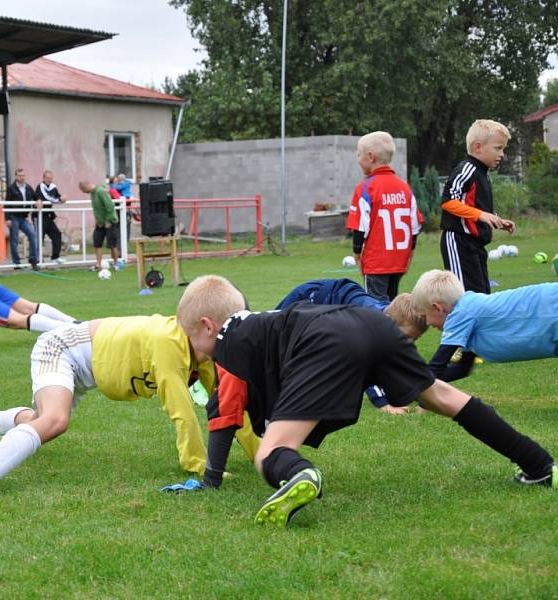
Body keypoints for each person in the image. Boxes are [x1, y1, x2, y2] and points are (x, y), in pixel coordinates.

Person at [172, 275, 555, 528]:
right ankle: (539, 464)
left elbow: (222, 409)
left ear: (208, 326)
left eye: (193, 340)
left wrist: (211, 480)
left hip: (324, 341)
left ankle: (299, 473)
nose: (198, 352)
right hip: (371, 324)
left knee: (270, 451)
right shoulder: (263, 319)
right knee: (442, 396)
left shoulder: (228, 343)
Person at [0, 311, 260, 498]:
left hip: (87, 366)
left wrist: (262, 456)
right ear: (205, 327)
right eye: (225, 335)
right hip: (62, 348)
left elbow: (231, 408)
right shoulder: (170, 345)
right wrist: (198, 465)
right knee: (55, 421)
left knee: (41, 418)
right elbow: (181, 411)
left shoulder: (202, 354)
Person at [276, 278, 428, 414]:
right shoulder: (372, 326)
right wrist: (383, 404)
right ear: (391, 322)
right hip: (312, 297)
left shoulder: (392, 317)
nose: (408, 344)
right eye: (407, 337)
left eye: (414, 339)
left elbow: (402, 364)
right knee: (276, 336)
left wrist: (423, 395)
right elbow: (366, 366)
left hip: (336, 299)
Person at [411, 269, 558, 382]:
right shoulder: (469, 314)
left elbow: (436, 367)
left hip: (551, 307)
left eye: (425, 316)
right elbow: (462, 369)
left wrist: (407, 391)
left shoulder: (462, 313)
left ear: (437, 308)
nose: (428, 323)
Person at [440, 119, 515, 294]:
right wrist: (480, 214)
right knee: (465, 296)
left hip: (476, 245)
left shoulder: (483, 174)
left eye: (503, 149)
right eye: (498, 148)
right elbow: (448, 201)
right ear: (477, 147)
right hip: (459, 242)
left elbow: (476, 206)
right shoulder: (467, 169)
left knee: (482, 294)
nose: (502, 154)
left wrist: (496, 220)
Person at [346, 131, 421, 301]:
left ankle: (385, 328)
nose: (358, 160)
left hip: (376, 262)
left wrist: (357, 253)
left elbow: (360, 227)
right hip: (399, 260)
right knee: (391, 302)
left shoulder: (365, 188)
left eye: (359, 155)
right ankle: (395, 327)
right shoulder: (405, 188)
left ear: (370, 157)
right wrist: (410, 253)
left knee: (376, 306)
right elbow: (414, 226)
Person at [79, 180, 119, 272]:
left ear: (87, 186)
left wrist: (108, 220)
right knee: (97, 242)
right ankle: (98, 265)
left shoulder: (100, 191)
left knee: (112, 244)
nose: (84, 192)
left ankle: (116, 263)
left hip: (110, 221)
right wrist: (96, 219)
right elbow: (96, 208)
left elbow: (110, 205)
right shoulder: (92, 194)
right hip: (100, 223)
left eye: (83, 190)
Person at [5, 168, 38, 270]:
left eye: (23, 175)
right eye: (19, 175)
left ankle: (33, 260)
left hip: (23, 217)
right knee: (14, 240)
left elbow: (36, 197)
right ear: (16, 176)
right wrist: (7, 219)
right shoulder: (11, 188)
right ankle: (16, 263)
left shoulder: (28, 187)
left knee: (32, 235)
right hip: (14, 216)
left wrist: (39, 201)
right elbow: (6, 203)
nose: (21, 177)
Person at [33, 170, 64, 263]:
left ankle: (55, 257)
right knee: (39, 237)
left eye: (50, 178)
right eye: (47, 178)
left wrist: (63, 198)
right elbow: (42, 198)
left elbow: (58, 197)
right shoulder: (40, 187)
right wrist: (59, 199)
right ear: (43, 178)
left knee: (57, 234)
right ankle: (38, 259)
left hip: (48, 216)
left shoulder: (53, 187)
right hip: (39, 216)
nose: (49, 180)